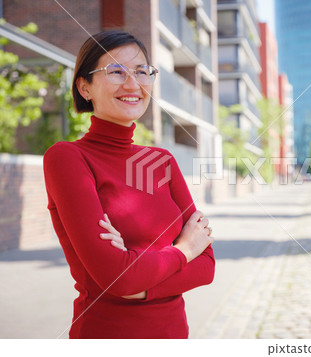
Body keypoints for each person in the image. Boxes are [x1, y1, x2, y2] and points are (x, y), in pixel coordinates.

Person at [43, 30, 215, 339]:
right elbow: (117, 280)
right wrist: (183, 249)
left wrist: (137, 279)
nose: (132, 84)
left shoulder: (162, 161)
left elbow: (207, 267)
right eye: (116, 71)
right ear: (85, 87)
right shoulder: (67, 158)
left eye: (141, 71)